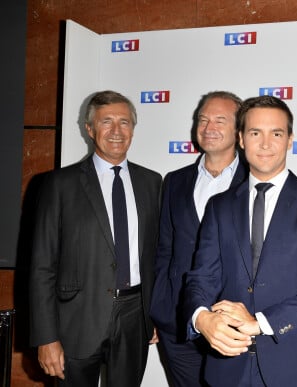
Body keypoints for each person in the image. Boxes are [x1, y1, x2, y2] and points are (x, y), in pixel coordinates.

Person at [182, 95, 297, 386]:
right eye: (256, 133)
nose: (266, 143)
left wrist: (260, 323)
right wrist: (201, 318)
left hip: (292, 365)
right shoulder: (220, 206)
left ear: (290, 139)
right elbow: (201, 277)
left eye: (277, 133)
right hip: (227, 366)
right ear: (242, 139)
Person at [29, 90, 162, 387]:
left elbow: (155, 256)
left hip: (134, 316)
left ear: (133, 129)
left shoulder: (152, 182)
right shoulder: (58, 185)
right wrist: (46, 337)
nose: (116, 131)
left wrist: (152, 314)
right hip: (75, 319)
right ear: (90, 129)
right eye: (107, 122)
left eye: (124, 122)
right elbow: (41, 266)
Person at [149, 91, 247, 386]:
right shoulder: (175, 180)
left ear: (239, 130)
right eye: (202, 119)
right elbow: (164, 249)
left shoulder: (256, 180)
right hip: (177, 323)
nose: (208, 127)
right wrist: (158, 309)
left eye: (220, 120)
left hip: (233, 326)